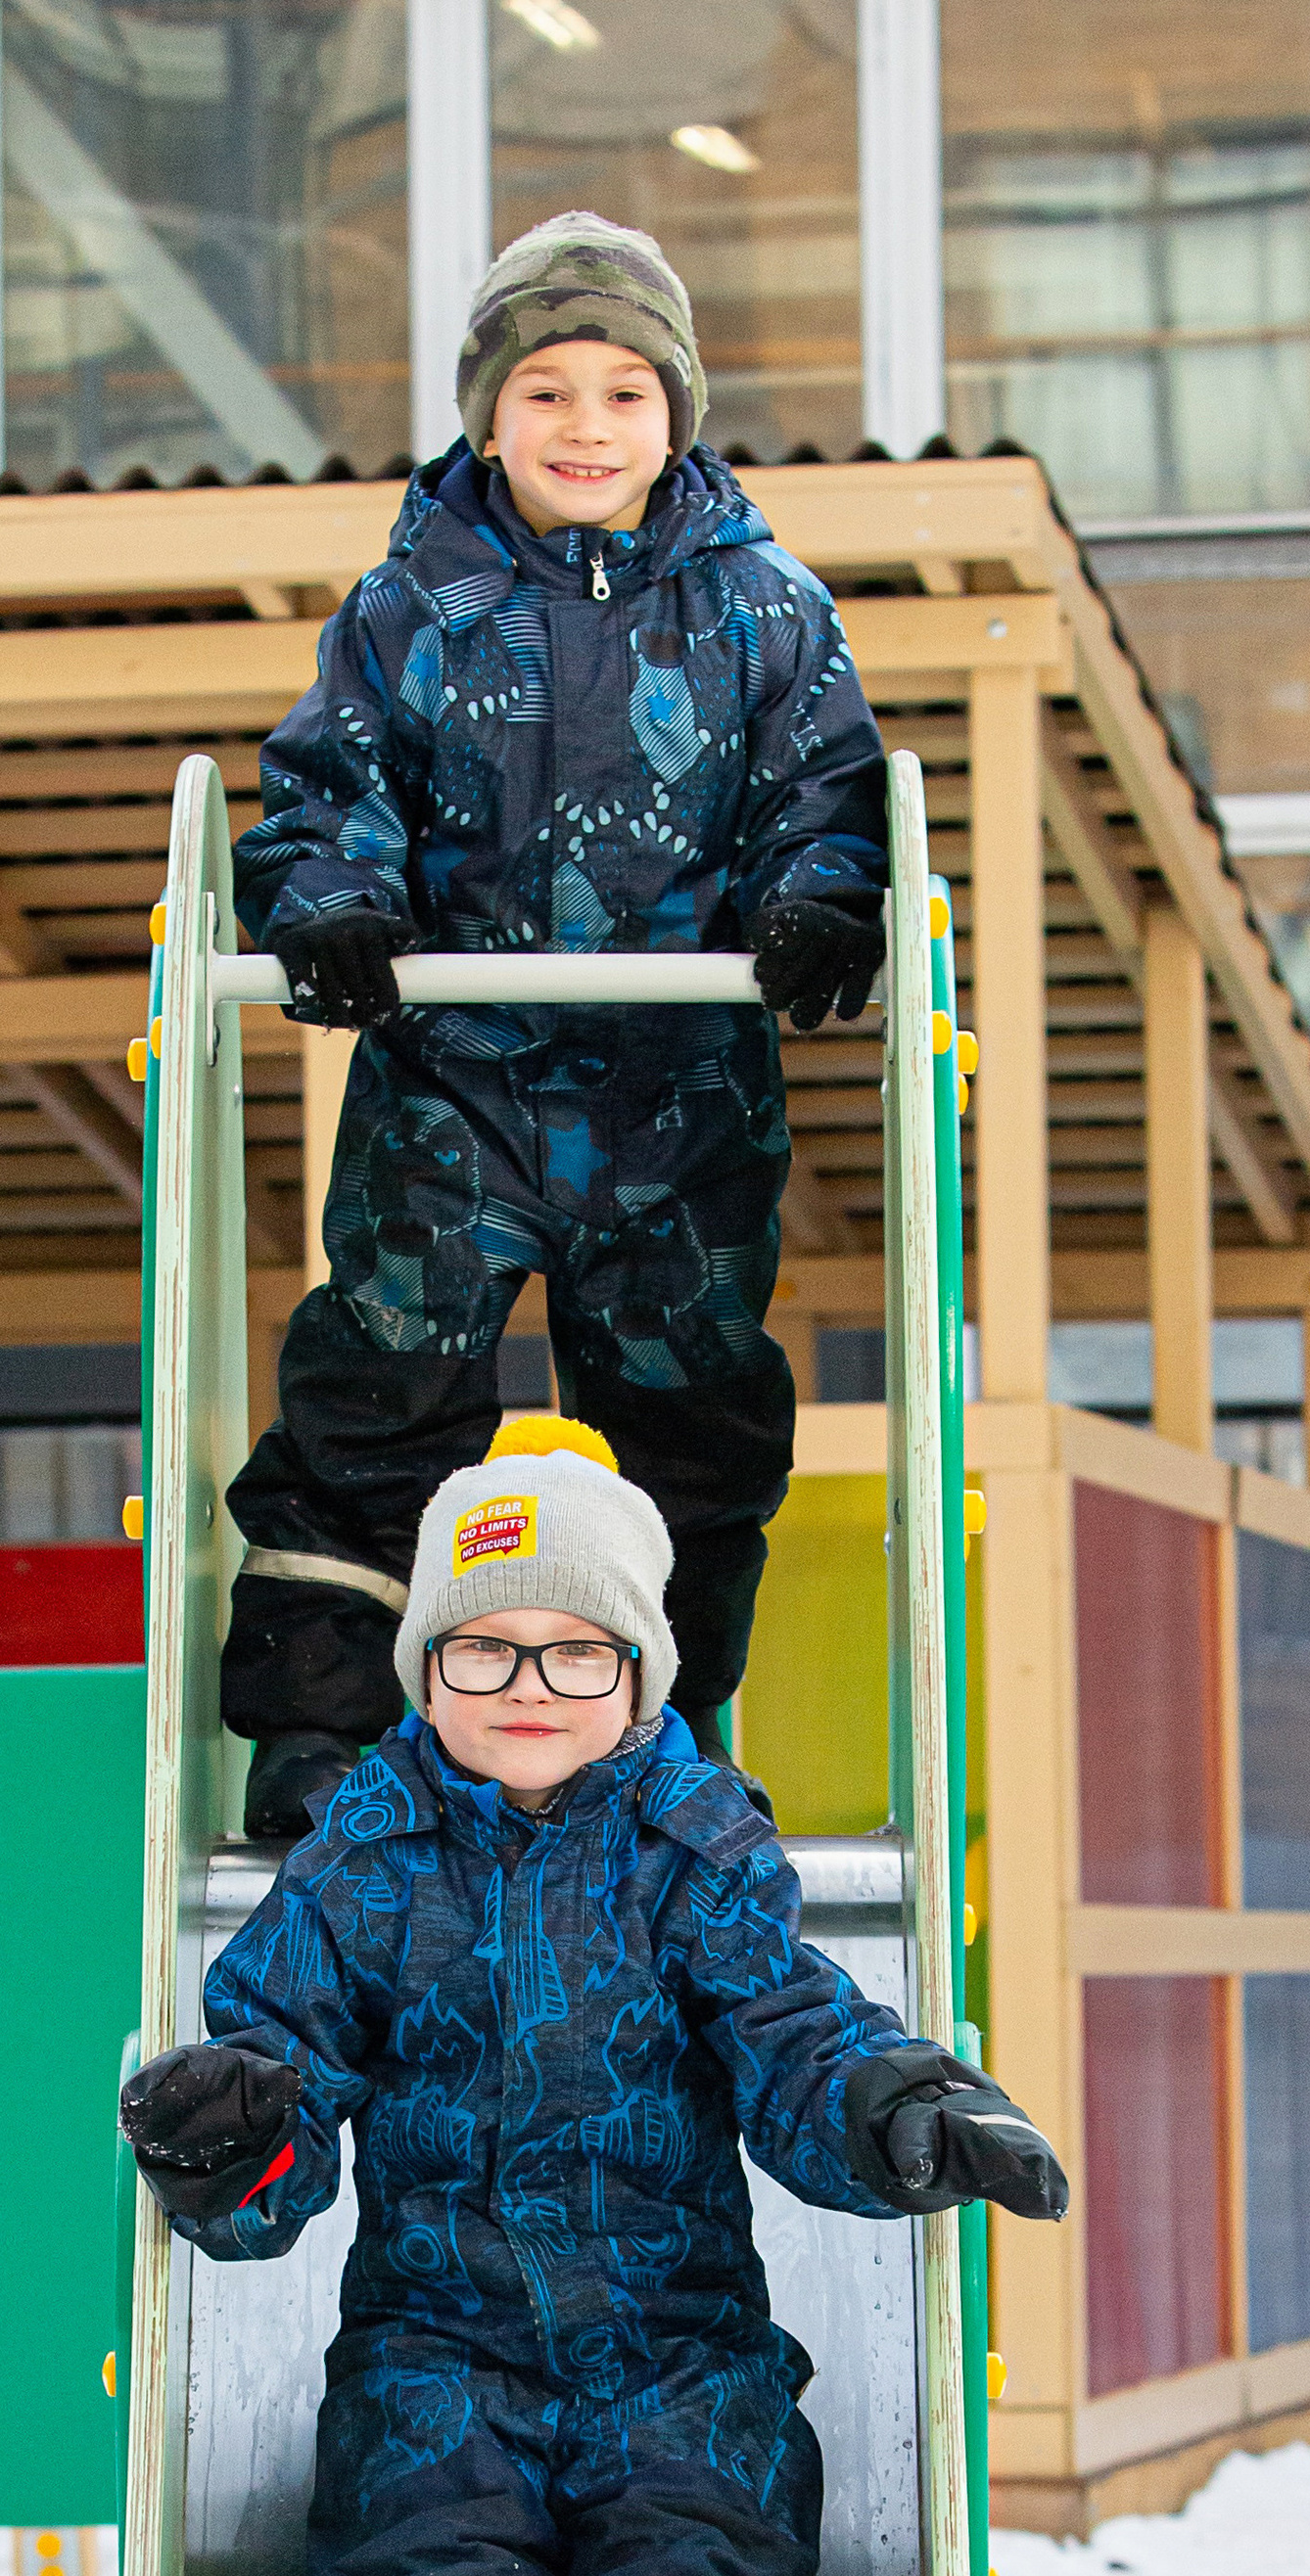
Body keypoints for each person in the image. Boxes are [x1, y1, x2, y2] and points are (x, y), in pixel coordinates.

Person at [120, 1424, 1067, 2576]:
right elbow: (287, 2061)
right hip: (441, 2349)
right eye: (485, 1647)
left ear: (643, 1673)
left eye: (578, 1650)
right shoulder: (363, 1852)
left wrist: (903, 2109)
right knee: (433, 2572)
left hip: (678, 2356)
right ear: (425, 1667)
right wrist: (231, 2136)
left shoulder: (694, 1846)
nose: (531, 1684)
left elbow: (793, 2038)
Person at [221, 209, 889, 1842]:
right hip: (461, 1085)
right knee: (380, 1394)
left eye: (623, 395)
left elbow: (828, 790)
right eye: (545, 393)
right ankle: (324, 1739)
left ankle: (673, 1741)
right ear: (485, 415)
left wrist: (820, 902)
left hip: (681, 1096)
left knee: (693, 1420)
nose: (586, 428)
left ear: (677, 414)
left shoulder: (762, 609)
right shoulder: (412, 606)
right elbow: (328, 791)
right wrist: (331, 906)